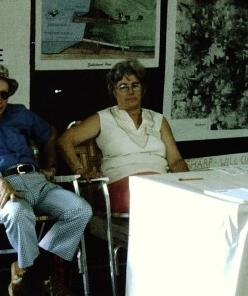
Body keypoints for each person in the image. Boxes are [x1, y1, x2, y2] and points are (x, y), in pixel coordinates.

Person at [0, 63, 92, 296]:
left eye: (4, 94)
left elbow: (50, 133)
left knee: (80, 210)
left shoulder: (20, 113)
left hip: (35, 181)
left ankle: (23, 269)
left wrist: (51, 165)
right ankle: (46, 276)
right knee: (17, 213)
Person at [58, 59, 188, 214]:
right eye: (123, 87)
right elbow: (65, 140)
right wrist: (81, 170)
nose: (130, 92)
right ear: (114, 92)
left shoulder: (158, 119)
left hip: (160, 182)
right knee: (157, 201)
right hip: (120, 184)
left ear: (143, 89)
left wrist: (189, 184)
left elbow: (175, 161)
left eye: (135, 85)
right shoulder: (103, 118)